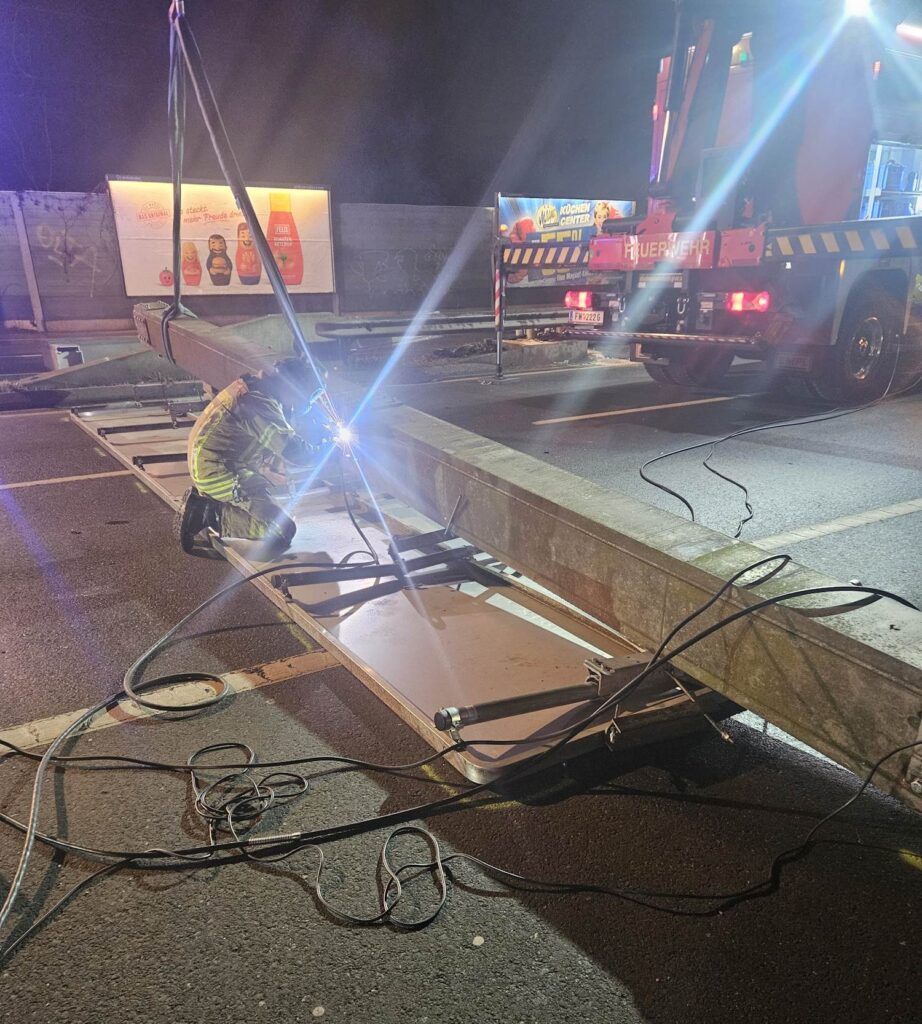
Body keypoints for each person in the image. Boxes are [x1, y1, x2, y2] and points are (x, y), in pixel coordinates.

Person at [176, 357, 320, 555]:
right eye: (310, 396)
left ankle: (216, 504)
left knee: (270, 501)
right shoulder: (258, 403)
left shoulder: (257, 388)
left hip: (217, 464)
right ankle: (208, 514)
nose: (309, 404)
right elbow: (293, 452)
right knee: (282, 530)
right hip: (219, 472)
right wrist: (328, 451)